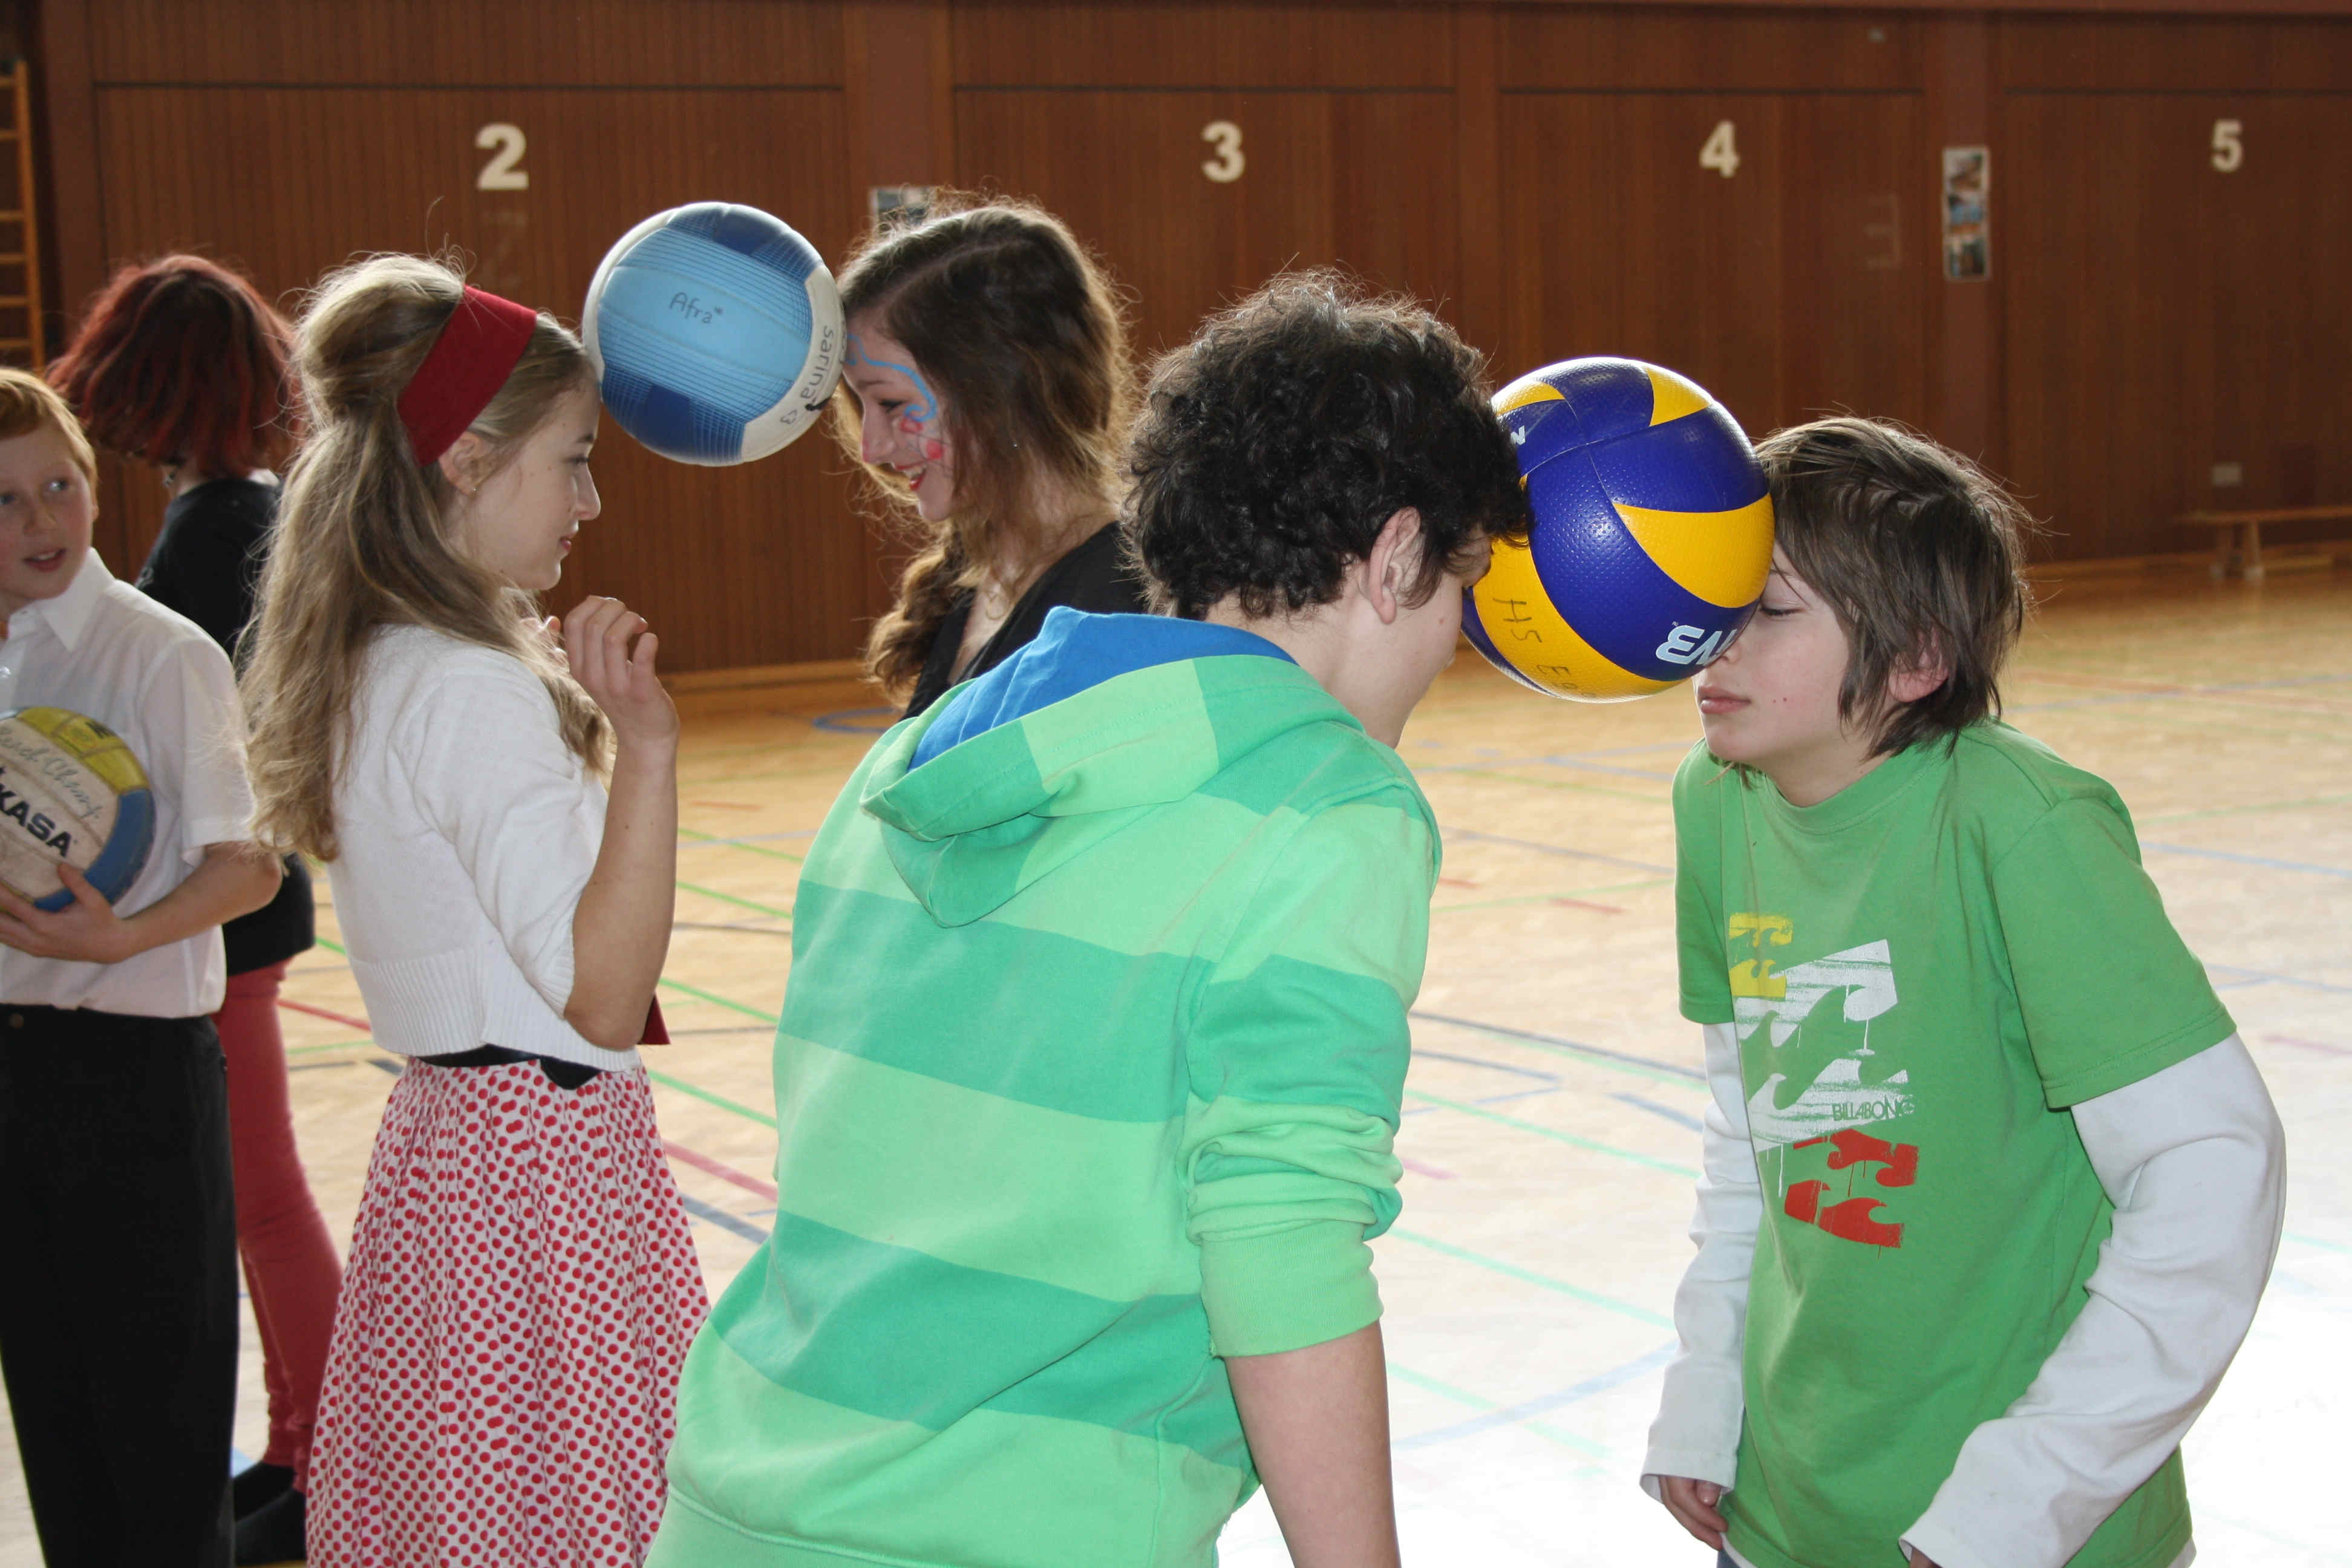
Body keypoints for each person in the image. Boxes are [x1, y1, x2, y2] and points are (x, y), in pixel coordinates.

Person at [647, 273, 1529, 1568]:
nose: (1449, 643)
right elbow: (1281, 1246)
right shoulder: (1330, 805)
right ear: (1396, 556)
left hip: (736, 1503)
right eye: (1459, 587)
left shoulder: (913, 759)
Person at [1643, 416, 2287, 1568]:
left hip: (2030, 1532)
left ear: (1914, 659)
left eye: (1769, 608)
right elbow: (1751, 1125)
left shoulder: (2025, 826)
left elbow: (2211, 1170)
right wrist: (1705, 1389)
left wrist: (2021, 1500)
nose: (1710, 636)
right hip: (1788, 1508)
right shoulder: (1714, 797)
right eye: (1715, 594)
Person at [239, 255, 705, 1568]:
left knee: (475, 1518)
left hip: (457, 1156)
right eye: (573, 460)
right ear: (465, 458)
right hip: (536, 1171)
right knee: (580, 1522)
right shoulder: (464, 684)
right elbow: (601, 995)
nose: (589, 501)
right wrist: (648, 750)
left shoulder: (386, 653)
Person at [45, 252, 340, 1563]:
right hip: (228, 909)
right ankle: (300, 1444)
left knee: (260, 1200)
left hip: (224, 912)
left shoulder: (215, 529)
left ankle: (329, 1455)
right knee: (255, 1198)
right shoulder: (241, 513)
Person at [0, 368, 284, 1567]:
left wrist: (117, 936)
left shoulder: (162, 655)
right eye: (4, 501)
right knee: (56, 1426)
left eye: (58, 486)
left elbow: (250, 866)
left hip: (136, 1082)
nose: (42, 521)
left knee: (158, 1443)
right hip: (12, 1078)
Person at [835, 196, 1151, 716]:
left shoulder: (1122, 598)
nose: (872, 447)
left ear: (1001, 393)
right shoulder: (972, 575)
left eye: (891, 404)